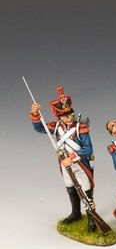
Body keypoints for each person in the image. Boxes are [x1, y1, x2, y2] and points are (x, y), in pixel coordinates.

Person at [30, 87, 96, 230]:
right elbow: (40, 128)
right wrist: (35, 114)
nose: (69, 117)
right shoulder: (56, 127)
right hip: (65, 165)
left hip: (80, 165)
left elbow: (88, 149)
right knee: (70, 188)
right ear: (58, 116)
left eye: (70, 114)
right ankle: (76, 213)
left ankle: (92, 217)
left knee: (86, 191)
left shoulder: (81, 129)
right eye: (65, 116)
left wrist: (72, 158)